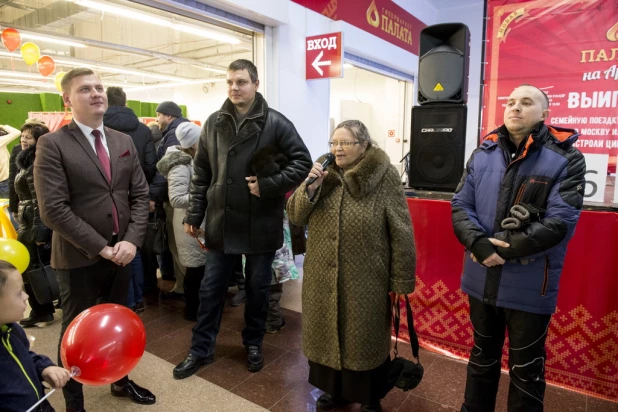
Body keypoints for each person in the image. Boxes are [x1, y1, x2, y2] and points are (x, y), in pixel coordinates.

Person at [451, 84, 586, 412]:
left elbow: (559, 223)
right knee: (481, 360)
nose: (515, 108)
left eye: (526, 103)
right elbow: (460, 205)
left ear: (544, 114)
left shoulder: (566, 157)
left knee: (527, 371)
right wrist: (479, 244)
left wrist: (502, 250)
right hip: (480, 278)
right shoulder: (483, 152)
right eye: (510, 102)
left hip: (529, 285)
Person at [174, 59, 311, 379]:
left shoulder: (275, 122)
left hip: (260, 221)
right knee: (211, 289)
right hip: (222, 220)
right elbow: (202, 173)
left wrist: (269, 185)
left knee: (258, 289)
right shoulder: (213, 123)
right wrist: (195, 213)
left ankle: (253, 343)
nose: (234, 87)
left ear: (256, 84)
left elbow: (302, 161)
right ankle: (201, 348)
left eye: (241, 82)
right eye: (230, 82)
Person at [33, 67, 155, 411]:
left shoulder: (123, 140)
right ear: (67, 99)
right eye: (85, 89)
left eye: (99, 87)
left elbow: (139, 194)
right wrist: (101, 248)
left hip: (123, 252)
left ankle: (120, 380)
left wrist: (131, 241)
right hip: (79, 255)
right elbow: (53, 209)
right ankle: (75, 402)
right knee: (75, 331)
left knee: (117, 324)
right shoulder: (53, 143)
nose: (96, 93)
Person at [287, 119, 416, 412]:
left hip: (367, 277)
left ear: (364, 145)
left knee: (364, 341)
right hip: (321, 275)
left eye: (345, 143)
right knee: (325, 335)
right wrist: (310, 188)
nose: (337, 148)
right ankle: (335, 391)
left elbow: (401, 230)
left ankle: (370, 397)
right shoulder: (323, 170)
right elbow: (295, 215)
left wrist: (401, 281)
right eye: (333, 142)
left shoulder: (383, 176)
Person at [104, 86, 157, 313]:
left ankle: (120, 302)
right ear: (126, 102)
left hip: (107, 196)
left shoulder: (98, 128)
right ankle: (138, 297)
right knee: (132, 245)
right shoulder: (144, 130)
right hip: (137, 194)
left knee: (111, 248)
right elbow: (150, 165)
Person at [0, 260, 71, 412]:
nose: (26, 296)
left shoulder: (12, 330)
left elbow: (23, 357)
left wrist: (43, 368)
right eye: (19, 293)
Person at [156, 122, 207, 321]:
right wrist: (205, 195)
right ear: (193, 143)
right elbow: (176, 198)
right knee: (193, 271)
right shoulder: (179, 164)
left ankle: (198, 308)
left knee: (199, 269)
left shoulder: (193, 160)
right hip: (189, 225)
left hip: (198, 223)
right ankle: (192, 311)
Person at [14, 122, 55, 327]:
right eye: (22, 135)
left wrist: (40, 231)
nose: (23, 139)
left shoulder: (35, 164)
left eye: (28, 137)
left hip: (32, 223)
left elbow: (40, 200)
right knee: (34, 267)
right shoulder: (27, 161)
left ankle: (42, 309)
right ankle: (43, 308)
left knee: (32, 269)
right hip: (28, 219)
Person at [150, 101, 189, 299]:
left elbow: (164, 171)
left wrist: (153, 196)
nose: (157, 120)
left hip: (177, 201)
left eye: (158, 115)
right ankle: (183, 286)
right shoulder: (179, 131)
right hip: (180, 198)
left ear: (168, 115)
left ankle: (187, 289)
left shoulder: (175, 134)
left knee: (179, 246)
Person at [0, 124, 20, 199]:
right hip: (4, 181)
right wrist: (2, 126)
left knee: (8, 206)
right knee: (8, 207)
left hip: (4, 181)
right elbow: (16, 132)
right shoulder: (1, 141)